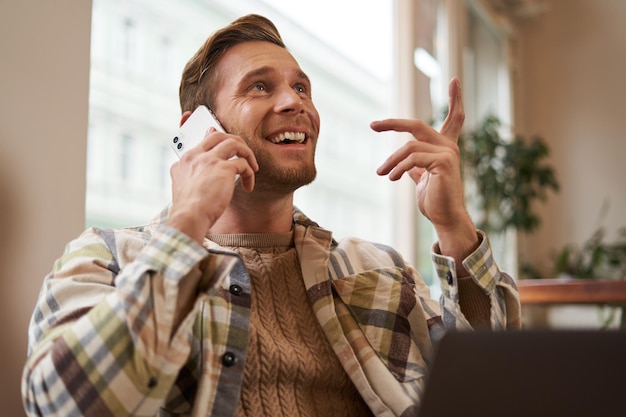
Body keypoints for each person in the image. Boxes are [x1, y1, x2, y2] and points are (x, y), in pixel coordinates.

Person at [22, 14, 521, 417]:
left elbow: (494, 393)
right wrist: (188, 219)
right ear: (200, 130)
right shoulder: (109, 260)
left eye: (301, 88)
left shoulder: (378, 269)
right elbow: (64, 404)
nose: (294, 102)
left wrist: (454, 228)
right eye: (260, 87)